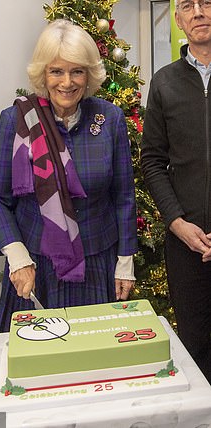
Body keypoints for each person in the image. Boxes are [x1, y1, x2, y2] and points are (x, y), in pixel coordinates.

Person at [0, 19, 138, 332]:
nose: (67, 82)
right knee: (41, 367)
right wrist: (17, 256)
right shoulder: (15, 120)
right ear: (43, 73)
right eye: (57, 71)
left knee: (97, 360)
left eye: (76, 71)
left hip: (97, 261)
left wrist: (125, 263)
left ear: (88, 74)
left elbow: (123, 197)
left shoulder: (109, 118)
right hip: (37, 265)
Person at [141, 0, 211, 384]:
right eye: (188, 5)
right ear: (180, 21)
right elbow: (152, 160)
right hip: (186, 242)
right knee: (195, 346)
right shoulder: (164, 82)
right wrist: (176, 222)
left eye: (207, 2)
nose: (199, 12)